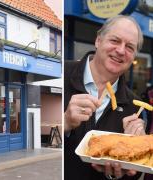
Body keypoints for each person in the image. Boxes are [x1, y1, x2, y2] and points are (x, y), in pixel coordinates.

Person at [64, 15, 147, 180]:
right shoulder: (62, 73)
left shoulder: (135, 106)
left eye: (130, 47)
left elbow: (134, 175)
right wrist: (64, 122)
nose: (121, 51)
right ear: (98, 40)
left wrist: (133, 156)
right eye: (115, 41)